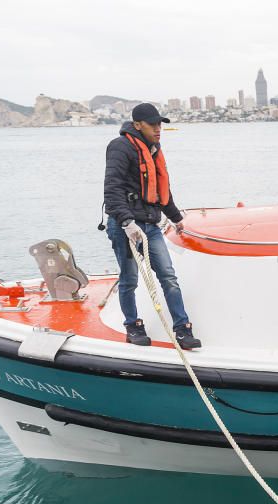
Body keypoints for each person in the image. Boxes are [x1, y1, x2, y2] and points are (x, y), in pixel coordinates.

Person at [103, 102, 201, 349]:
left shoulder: (153, 150)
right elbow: (112, 189)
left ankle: (182, 328)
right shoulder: (120, 147)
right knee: (130, 280)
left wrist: (177, 219)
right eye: (153, 124)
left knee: (168, 276)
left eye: (160, 124)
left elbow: (161, 192)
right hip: (125, 227)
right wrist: (126, 222)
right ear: (137, 125)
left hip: (150, 225)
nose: (158, 129)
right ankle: (133, 326)